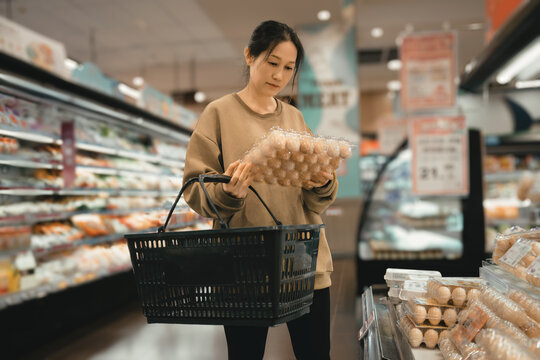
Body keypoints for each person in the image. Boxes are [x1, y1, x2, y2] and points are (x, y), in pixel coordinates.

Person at [182, 20, 338, 360]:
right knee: (245, 354)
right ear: (250, 55)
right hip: (244, 264)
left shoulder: (296, 119)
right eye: (272, 62)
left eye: (288, 68)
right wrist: (228, 193)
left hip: (303, 260)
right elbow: (195, 189)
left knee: (315, 354)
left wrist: (323, 183)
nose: (279, 75)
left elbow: (316, 198)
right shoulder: (219, 114)